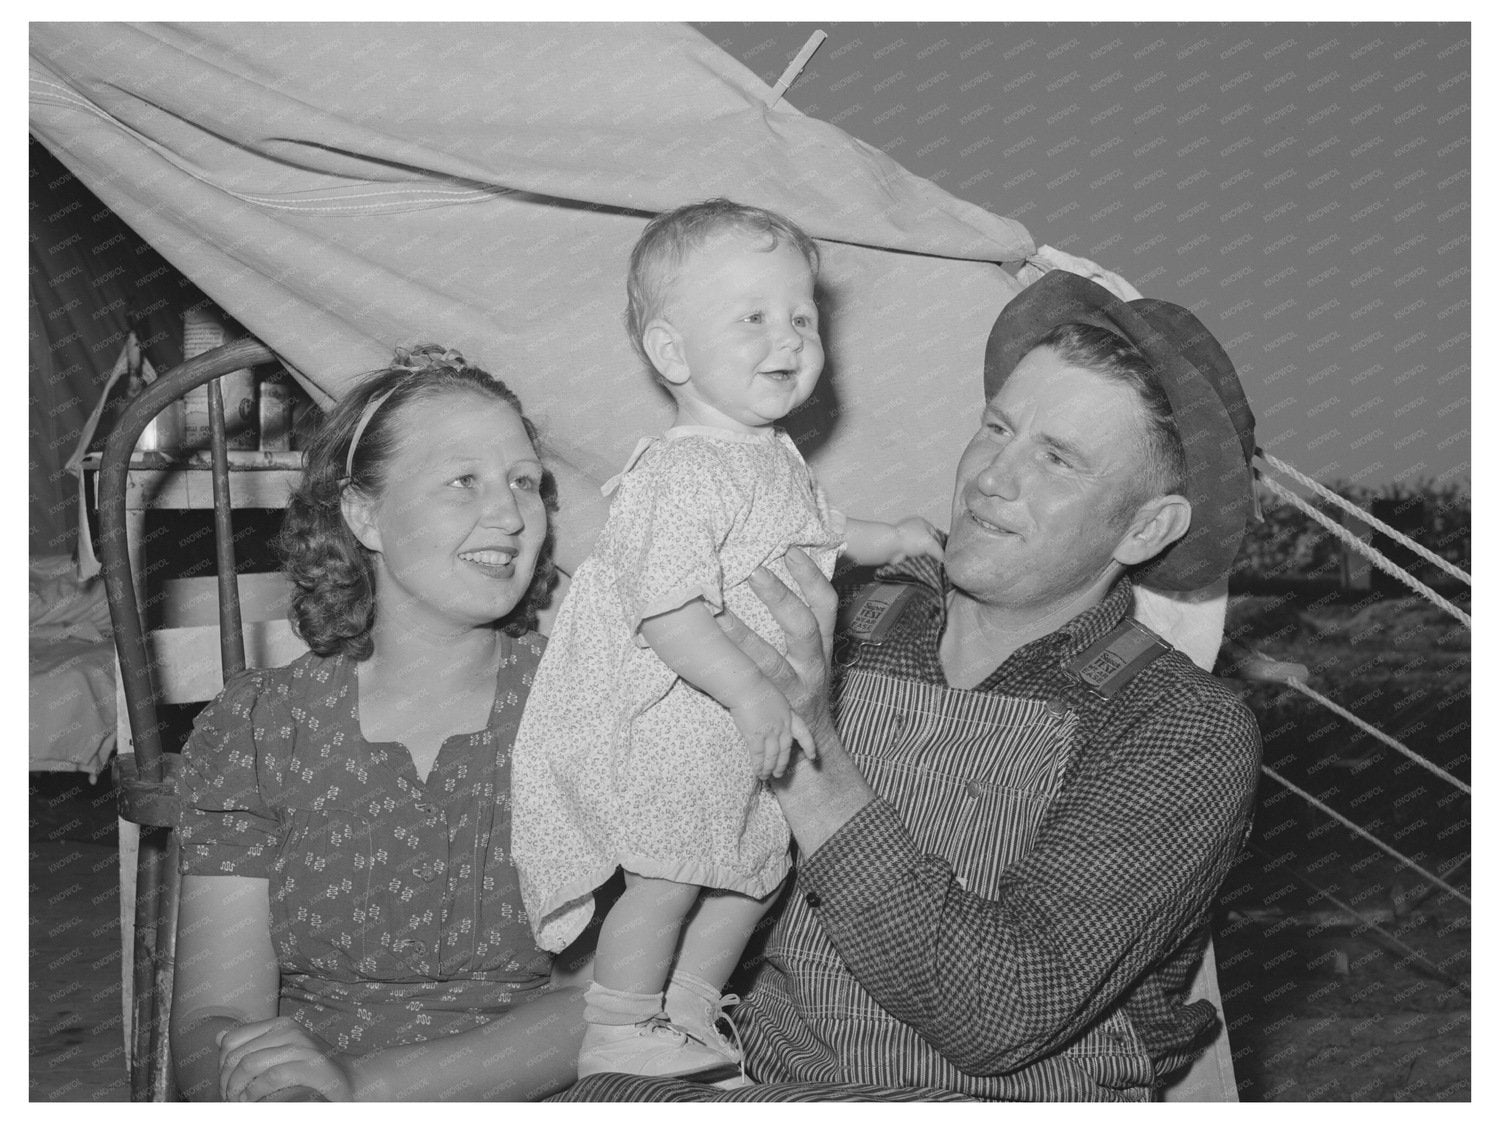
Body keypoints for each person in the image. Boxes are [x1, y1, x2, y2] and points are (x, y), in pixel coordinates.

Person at [556, 269, 1264, 1101]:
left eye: (1058, 460)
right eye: (996, 428)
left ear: (1146, 527)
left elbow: (998, 1013)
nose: (992, 477)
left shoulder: (1180, 726)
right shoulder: (846, 622)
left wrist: (808, 748)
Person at [509, 200, 941, 1078]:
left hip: (747, 727)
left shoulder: (770, 456)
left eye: (802, 317)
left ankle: (690, 1011)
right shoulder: (679, 470)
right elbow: (664, 608)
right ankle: (621, 1023)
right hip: (684, 716)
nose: (787, 338)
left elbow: (817, 527)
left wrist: (890, 536)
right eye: (753, 318)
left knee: (752, 874)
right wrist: (748, 691)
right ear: (673, 353)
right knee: (667, 876)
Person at [171, 345, 585, 1101]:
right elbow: (213, 1016)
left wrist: (363, 1088)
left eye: (525, 482)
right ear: (365, 514)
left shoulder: (585, 710)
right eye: (465, 480)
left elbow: (608, 1004)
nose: (511, 514)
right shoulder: (263, 728)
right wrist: (282, 1095)